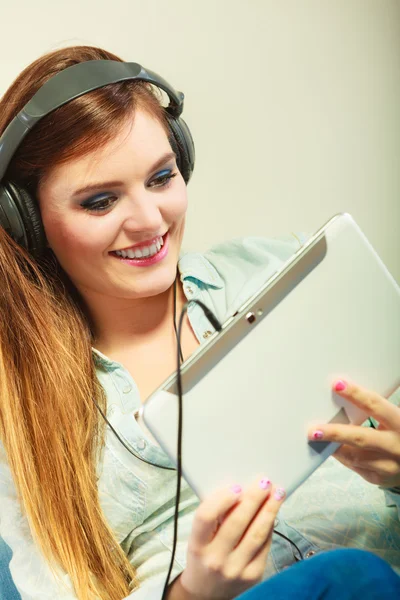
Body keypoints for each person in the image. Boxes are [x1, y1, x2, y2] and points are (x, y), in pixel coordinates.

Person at [0, 45, 399, 600]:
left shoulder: (275, 269)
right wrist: (195, 591)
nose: (149, 220)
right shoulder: (20, 410)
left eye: (161, 178)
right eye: (99, 201)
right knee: (353, 577)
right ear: (27, 223)